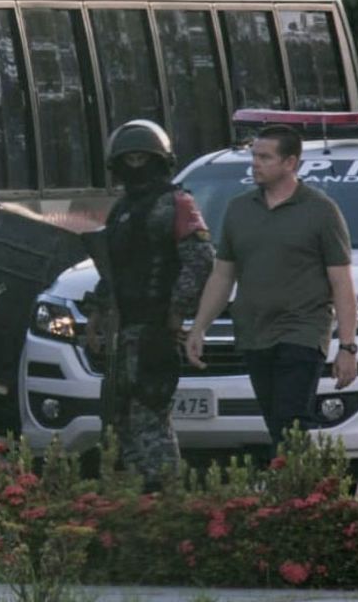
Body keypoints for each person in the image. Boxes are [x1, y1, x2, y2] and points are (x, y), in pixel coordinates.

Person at [186, 124, 357, 455]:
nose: (255, 164)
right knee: (276, 423)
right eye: (254, 156)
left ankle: (299, 495)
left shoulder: (320, 211)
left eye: (265, 157)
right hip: (254, 332)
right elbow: (223, 275)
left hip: (302, 330)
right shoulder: (239, 209)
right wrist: (199, 327)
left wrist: (347, 346)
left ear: (290, 163)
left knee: (291, 417)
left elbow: (341, 281)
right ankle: (296, 490)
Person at [85, 120, 215, 491]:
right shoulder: (122, 209)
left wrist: (175, 312)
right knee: (119, 419)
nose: (136, 165)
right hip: (122, 333)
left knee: (150, 417)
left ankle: (166, 499)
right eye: (130, 158)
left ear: (159, 160)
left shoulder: (177, 203)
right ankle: (135, 501)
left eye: (143, 157)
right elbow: (112, 271)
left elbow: (200, 259)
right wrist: (96, 316)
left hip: (154, 331)